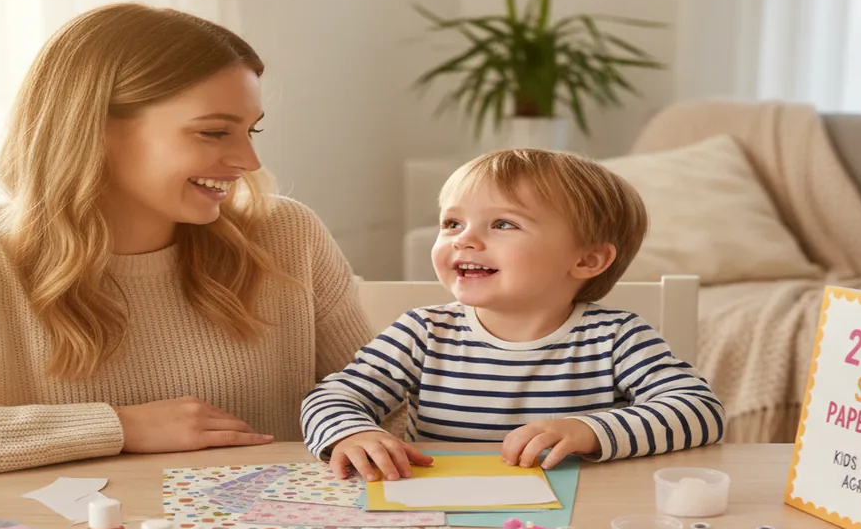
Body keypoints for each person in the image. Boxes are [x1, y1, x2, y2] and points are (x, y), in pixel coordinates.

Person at [0, 4, 372, 484]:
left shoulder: (286, 235)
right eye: (214, 132)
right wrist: (119, 427)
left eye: (251, 130)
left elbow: (387, 406)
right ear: (95, 127)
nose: (248, 161)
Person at [301, 148, 726, 481]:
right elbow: (332, 397)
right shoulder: (423, 332)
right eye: (451, 224)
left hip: (583, 512)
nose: (464, 240)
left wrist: (590, 431)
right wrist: (351, 432)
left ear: (588, 260)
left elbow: (700, 411)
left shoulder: (617, 338)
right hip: (441, 511)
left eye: (503, 224)